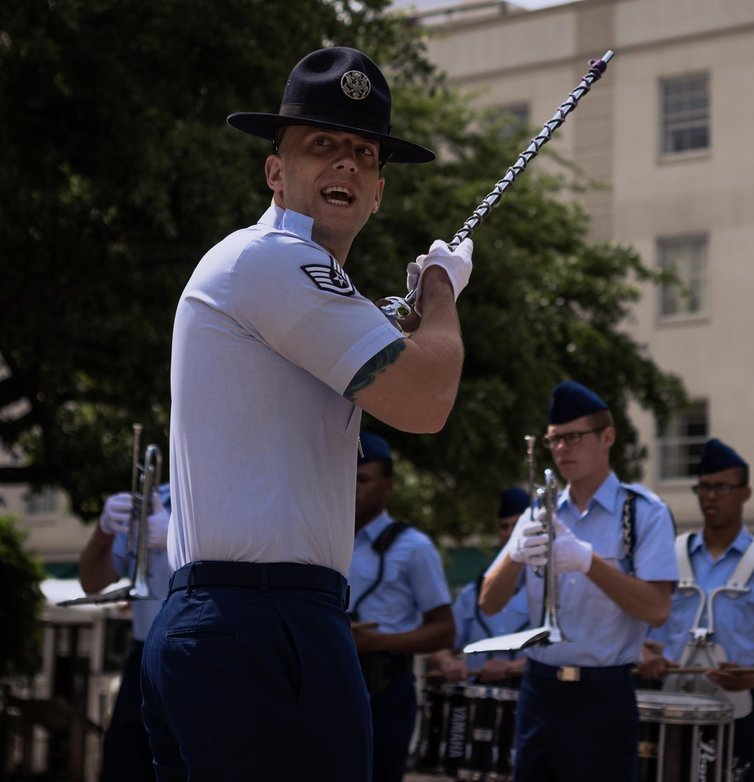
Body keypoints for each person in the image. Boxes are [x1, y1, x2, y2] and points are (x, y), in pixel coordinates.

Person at [141, 46, 471, 781]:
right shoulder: (274, 260)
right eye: (321, 145)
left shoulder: (293, 278)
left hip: (248, 622)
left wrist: (410, 321)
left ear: (380, 191)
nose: (346, 165)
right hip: (263, 624)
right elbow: (427, 399)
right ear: (276, 172)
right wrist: (443, 290)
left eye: (363, 152)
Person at [478, 380, 678, 782]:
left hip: (602, 695)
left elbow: (657, 609)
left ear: (607, 437)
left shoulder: (643, 513)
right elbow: (488, 602)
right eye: (554, 440)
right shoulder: (539, 511)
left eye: (573, 437)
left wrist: (588, 562)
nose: (562, 449)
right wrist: (515, 555)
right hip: (539, 688)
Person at [637, 438, 754, 782]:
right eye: (704, 488)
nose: (711, 497)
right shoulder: (670, 556)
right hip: (673, 711)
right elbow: (640, 635)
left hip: (740, 712)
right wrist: (646, 658)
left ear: (745, 492)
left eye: (722, 487)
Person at [349, 432, 455, 781]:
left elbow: (443, 629)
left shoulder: (413, 547)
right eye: (348, 476)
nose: (353, 487)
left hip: (385, 686)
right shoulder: (322, 539)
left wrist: (376, 642)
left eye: (363, 479)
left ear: (389, 485)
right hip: (333, 680)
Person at [77, 483, 171, 782]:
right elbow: (92, 581)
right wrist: (104, 531)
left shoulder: (223, 492)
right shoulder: (154, 496)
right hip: (143, 656)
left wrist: (180, 540)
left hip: (203, 652)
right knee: (123, 760)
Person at [430, 487, 532, 684]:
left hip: (530, 698)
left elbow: (563, 654)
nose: (510, 533)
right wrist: (447, 662)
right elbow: (440, 650)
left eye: (517, 525)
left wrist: (513, 666)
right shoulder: (473, 593)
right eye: (504, 527)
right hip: (479, 701)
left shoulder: (547, 591)